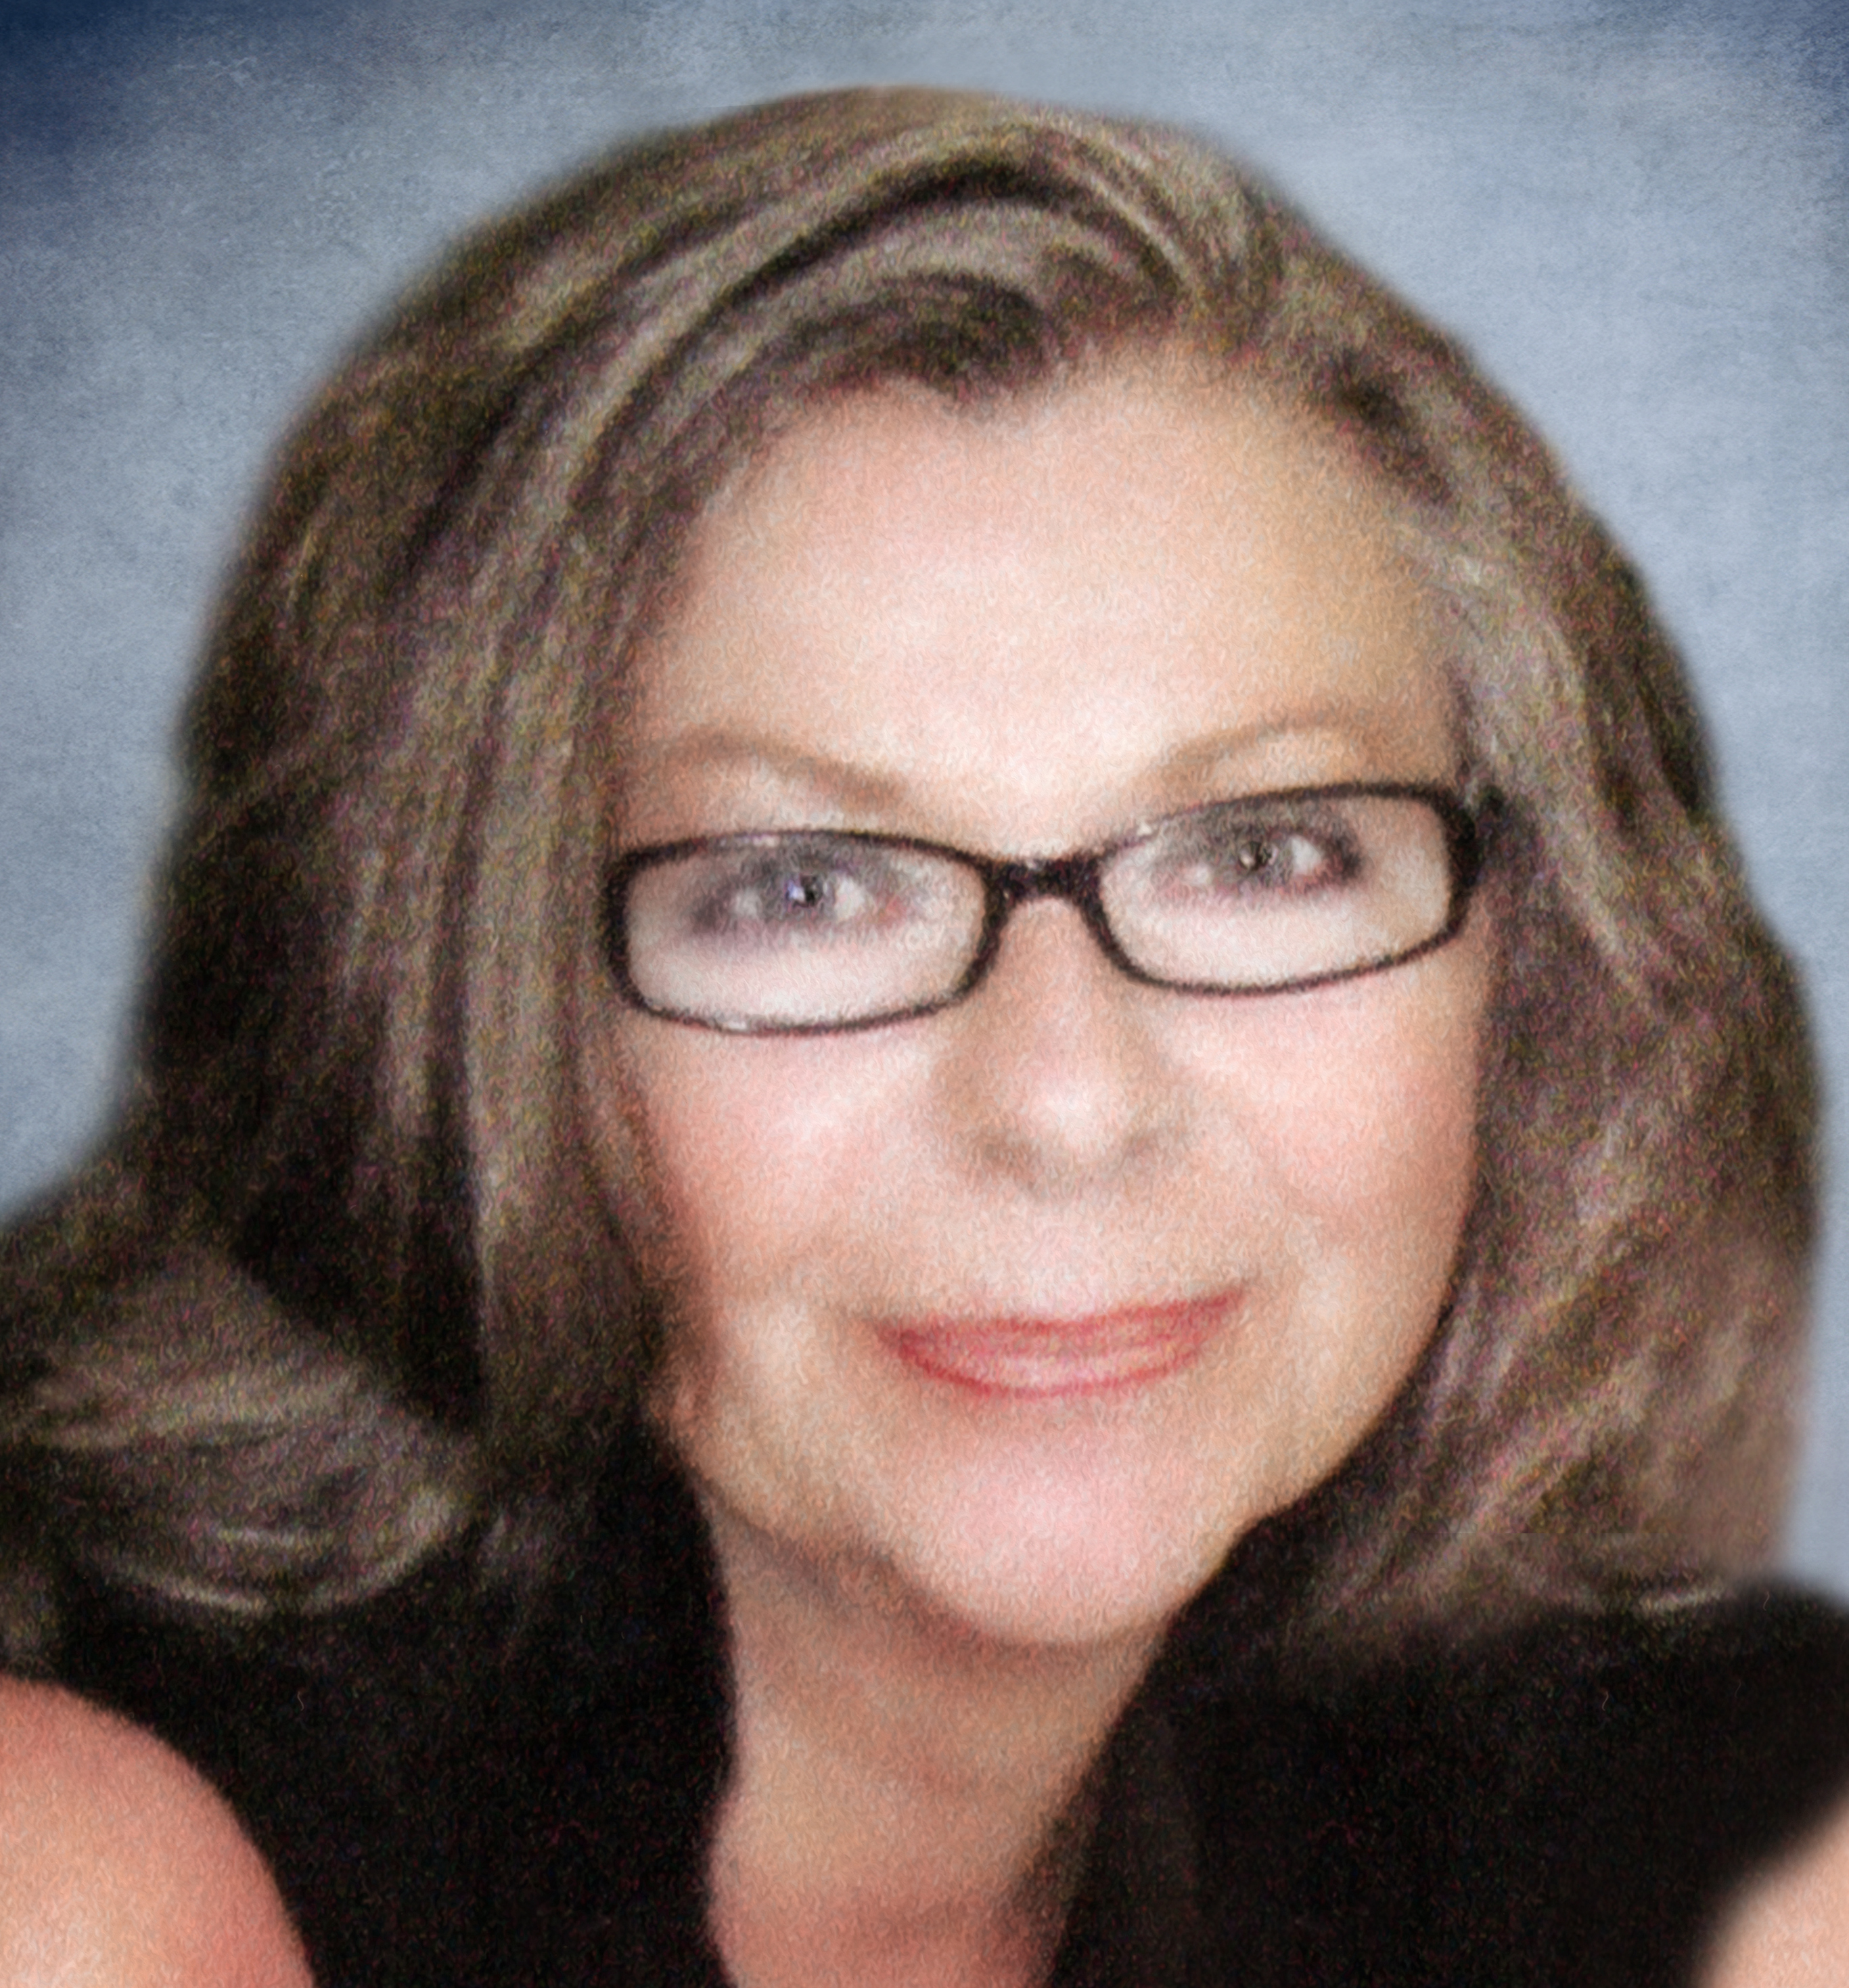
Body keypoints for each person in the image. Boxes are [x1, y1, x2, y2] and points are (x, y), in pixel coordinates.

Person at [1, 87, 1845, 1987]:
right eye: (802, 888)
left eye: (1263, 853)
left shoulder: (1686, 1842)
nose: (1064, 1099)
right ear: (478, 1004)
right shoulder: (68, 1881)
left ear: (1527, 967)